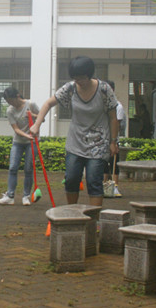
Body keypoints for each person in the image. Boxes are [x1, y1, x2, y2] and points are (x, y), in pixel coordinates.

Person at [30, 56, 119, 208]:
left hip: (98, 145)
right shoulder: (70, 88)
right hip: (75, 143)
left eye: (82, 78)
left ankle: (93, 219)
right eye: (75, 78)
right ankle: (72, 213)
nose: (78, 81)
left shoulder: (104, 90)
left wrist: (113, 141)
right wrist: (37, 124)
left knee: (94, 181)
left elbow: (113, 117)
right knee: (71, 179)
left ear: (89, 75)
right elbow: (48, 103)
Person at [0, 87, 40, 206]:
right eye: (8, 102)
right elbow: (16, 129)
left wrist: (32, 115)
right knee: (13, 167)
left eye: (11, 101)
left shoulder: (31, 104)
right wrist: (26, 135)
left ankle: (26, 196)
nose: (10, 104)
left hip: (32, 142)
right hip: (18, 141)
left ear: (18, 96)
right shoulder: (10, 111)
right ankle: (10, 196)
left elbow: (42, 119)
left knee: (28, 169)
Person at [103, 81, 126, 197]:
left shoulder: (118, 106)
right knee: (103, 165)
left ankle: (115, 187)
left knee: (114, 164)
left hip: (113, 140)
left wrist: (114, 141)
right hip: (101, 139)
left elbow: (117, 125)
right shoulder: (102, 104)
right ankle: (104, 186)